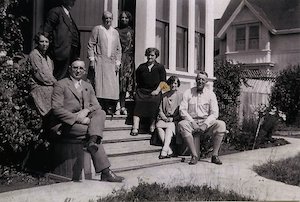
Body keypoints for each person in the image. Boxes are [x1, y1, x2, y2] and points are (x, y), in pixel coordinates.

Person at [51, 59, 124, 182]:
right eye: (75, 68)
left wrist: (86, 111)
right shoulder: (61, 84)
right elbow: (56, 109)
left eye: (81, 68)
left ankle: (93, 141)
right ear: (70, 69)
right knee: (91, 132)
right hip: (66, 124)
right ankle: (105, 171)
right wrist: (77, 118)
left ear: (84, 71)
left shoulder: (87, 86)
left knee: (101, 113)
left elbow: (97, 106)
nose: (78, 71)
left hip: (84, 118)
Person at [178, 71, 226, 165]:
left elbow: (214, 113)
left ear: (206, 82)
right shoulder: (188, 92)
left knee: (221, 125)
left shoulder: (211, 94)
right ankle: (194, 155)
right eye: (198, 79)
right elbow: (182, 110)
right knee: (182, 124)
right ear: (196, 80)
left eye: (203, 80)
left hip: (205, 123)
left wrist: (205, 124)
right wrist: (192, 122)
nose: (200, 81)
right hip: (192, 122)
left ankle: (214, 155)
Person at [87, 11, 122, 115]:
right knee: (100, 85)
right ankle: (100, 107)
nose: (108, 20)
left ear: (112, 19)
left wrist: (118, 62)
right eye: (106, 18)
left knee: (111, 86)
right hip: (100, 60)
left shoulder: (115, 32)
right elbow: (90, 45)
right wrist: (92, 60)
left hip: (112, 62)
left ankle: (110, 107)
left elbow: (118, 49)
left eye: (110, 18)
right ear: (103, 19)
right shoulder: (97, 29)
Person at [130, 47, 166, 136]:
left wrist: (157, 91)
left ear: (156, 56)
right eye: (148, 55)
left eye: (152, 55)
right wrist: (135, 91)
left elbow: (163, 82)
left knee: (154, 102)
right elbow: (136, 80)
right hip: (142, 91)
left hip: (154, 91)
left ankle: (152, 125)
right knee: (138, 103)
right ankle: (135, 127)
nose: (150, 57)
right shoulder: (141, 67)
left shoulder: (160, 67)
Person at [43, 0, 80, 80]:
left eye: (73, 1)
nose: (72, 2)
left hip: (70, 51)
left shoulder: (68, 14)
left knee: (68, 77)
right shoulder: (56, 12)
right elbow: (46, 32)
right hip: (60, 51)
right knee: (60, 77)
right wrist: (52, 48)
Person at [29, 32, 56, 117]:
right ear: (37, 42)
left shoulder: (47, 57)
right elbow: (40, 76)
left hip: (48, 85)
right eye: (42, 41)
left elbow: (49, 74)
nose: (44, 44)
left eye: (46, 42)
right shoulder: (34, 55)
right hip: (39, 86)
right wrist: (55, 82)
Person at [156, 76, 182, 159]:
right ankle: (169, 150)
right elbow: (160, 109)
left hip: (175, 120)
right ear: (169, 84)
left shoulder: (181, 96)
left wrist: (173, 119)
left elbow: (182, 111)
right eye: (171, 83)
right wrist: (164, 118)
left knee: (169, 127)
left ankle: (164, 150)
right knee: (158, 125)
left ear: (178, 84)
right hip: (165, 119)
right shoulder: (164, 96)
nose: (173, 85)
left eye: (175, 83)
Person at [116, 11, 135, 115]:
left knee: (124, 84)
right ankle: (116, 105)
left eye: (126, 18)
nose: (124, 20)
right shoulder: (115, 31)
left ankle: (123, 105)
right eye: (122, 18)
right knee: (116, 83)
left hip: (128, 59)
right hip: (117, 58)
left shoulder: (132, 32)